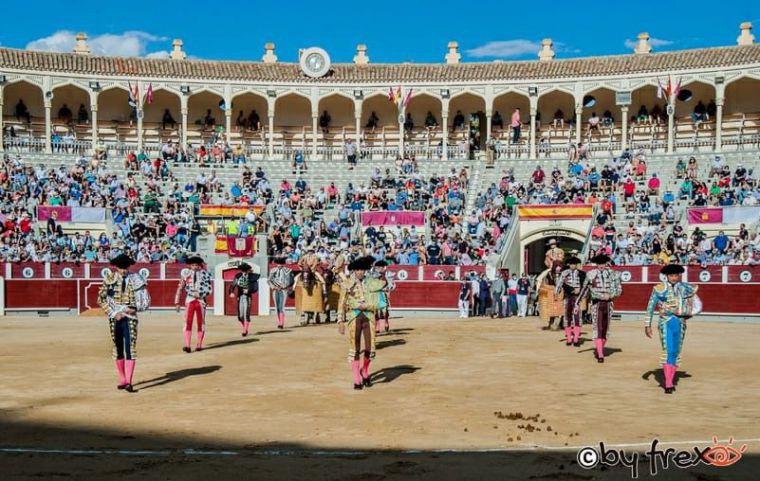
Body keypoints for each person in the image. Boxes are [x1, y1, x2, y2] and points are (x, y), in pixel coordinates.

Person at [97, 254, 150, 393]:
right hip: (115, 317)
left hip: (131, 317)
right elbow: (101, 299)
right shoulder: (109, 279)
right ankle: (122, 380)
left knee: (130, 348)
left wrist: (135, 308)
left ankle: (129, 382)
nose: (123, 270)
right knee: (118, 347)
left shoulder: (136, 278)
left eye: (125, 267)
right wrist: (114, 313)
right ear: (116, 267)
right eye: (121, 268)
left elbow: (146, 299)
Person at [645, 264, 699, 394]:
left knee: (676, 351)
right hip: (666, 322)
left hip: (680, 322)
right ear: (667, 276)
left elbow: (693, 304)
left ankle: (671, 378)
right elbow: (650, 306)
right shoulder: (659, 288)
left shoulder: (685, 288)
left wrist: (690, 313)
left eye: (676, 275)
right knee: (668, 350)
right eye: (671, 275)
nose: (674, 278)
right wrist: (647, 324)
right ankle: (668, 383)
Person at [337, 256, 380, 390]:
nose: (360, 272)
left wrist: (368, 306)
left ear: (365, 270)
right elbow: (341, 302)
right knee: (355, 348)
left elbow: (379, 301)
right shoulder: (347, 283)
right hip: (353, 317)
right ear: (354, 270)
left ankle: (365, 371)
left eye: (362, 269)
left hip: (369, 317)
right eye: (357, 269)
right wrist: (340, 320)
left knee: (369, 348)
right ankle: (357, 379)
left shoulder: (372, 283)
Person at [577, 254, 622, 363]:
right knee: (598, 327)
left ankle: (599, 349)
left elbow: (619, 290)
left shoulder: (613, 274)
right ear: (596, 264)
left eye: (603, 263)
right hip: (596, 304)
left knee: (605, 328)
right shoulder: (590, 274)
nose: (601, 265)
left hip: (609, 304)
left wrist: (610, 295)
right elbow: (584, 290)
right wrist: (577, 303)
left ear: (606, 263)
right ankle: (600, 354)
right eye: (599, 264)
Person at [175, 256, 213, 352]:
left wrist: (200, 294)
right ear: (190, 266)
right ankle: (187, 345)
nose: (195, 267)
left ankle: (199, 345)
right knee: (188, 322)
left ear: (199, 265)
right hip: (190, 300)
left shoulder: (205, 275)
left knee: (201, 323)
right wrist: (177, 302)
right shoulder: (186, 274)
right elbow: (180, 287)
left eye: (196, 265)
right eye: (193, 265)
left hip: (200, 301)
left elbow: (209, 289)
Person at [555, 256, 586, 346]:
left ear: (576, 265)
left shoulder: (582, 274)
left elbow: (585, 286)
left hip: (577, 298)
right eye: (571, 264)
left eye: (574, 264)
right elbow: (560, 283)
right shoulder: (565, 273)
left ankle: (576, 338)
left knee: (577, 317)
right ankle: (569, 338)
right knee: (567, 317)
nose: (572, 266)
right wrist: (556, 293)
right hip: (567, 297)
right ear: (569, 265)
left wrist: (580, 292)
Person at [228, 262, 261, 337]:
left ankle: (244, 330)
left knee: (246, 314)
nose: (244, 272)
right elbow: (233, 285)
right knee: (240, 316)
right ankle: (244, 327)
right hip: (240, 297)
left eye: (246, 271)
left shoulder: (252, 277)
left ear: (248, 270)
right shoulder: (238, 276)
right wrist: (231, 292)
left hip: (247, 297)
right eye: (243, 270)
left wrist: (249, 290)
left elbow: (255, 288)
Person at [268, 256, 294, 329]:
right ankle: (279, 321)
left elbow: (291, 280)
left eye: (280, 264)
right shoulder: (273, 270)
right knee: (277, 307)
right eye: (278, 264)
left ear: (283, 264)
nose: (279, 265)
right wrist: (274, 287)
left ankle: (281, 323)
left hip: (283, 290)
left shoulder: (288, 270)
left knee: (281, 307)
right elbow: (269, 280)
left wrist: (284, 286)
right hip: (275, 290)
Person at [371, 260, 395, 333]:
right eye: (377, 267)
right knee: (375, 310)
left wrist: (387, 290)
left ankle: (386, 322)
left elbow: (391, 284)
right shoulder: (372, 274)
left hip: (383, 293)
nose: (379, 268)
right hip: (375, 293)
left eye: (380, 267)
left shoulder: (388, 274)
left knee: (385, 310)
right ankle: (377, 326)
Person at [538, 263, 564, 329]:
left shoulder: (563, 274)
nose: (558, 271)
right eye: (557, 269)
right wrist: (552, 288)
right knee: (551, 310)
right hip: (551, 296)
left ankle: (559, 324)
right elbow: (544, 284)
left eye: (559, 269)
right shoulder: (548, 274)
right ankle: (551, 323)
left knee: (560, 311)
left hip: (560, 296)